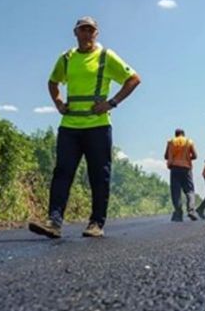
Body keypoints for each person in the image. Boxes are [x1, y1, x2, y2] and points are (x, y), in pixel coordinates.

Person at [29, 16, 141, 239]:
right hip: (69, 127)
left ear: (96, 33)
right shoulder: (67, 58)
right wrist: (59, 102)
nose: (87, 34)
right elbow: (53, 82)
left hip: (98, 127)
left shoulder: (105, 57)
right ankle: (54, 222)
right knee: (62, 172)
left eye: (91, 30)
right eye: (83, 30)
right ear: (75, 33)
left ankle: (96, 223)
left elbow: (133, 79)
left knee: (99, 176)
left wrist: (112, 102)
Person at [165, 129, 199, 222]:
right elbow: (195, 156)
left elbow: (166, 156)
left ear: (175, 135)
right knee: (190, 191)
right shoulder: (189, 141)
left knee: (176, 192)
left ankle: (178, 213)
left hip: (174, 168)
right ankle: (191, 211)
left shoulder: (171, 141)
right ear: (183, 134)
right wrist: (188, 157)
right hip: (186, 169)